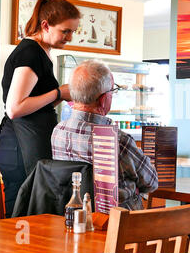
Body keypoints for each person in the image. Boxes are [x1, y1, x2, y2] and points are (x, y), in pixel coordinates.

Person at [0, 0, 81, 217]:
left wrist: (60, 95)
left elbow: (36, 101)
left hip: (28, 138)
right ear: (45, 25)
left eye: (73, 32)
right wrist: (59, 92)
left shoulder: (42, 51)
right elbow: (15, 108)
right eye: (65, 31)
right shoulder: (30, 53)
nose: (69, 37)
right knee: (21, 208)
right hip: (19, 145)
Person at [51, 60, 158, 210]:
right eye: (113, 91)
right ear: (103, 99)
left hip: (73, 218)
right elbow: (151, 182)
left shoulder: (58, 131)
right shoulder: (118, 140)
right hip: (118, 224)